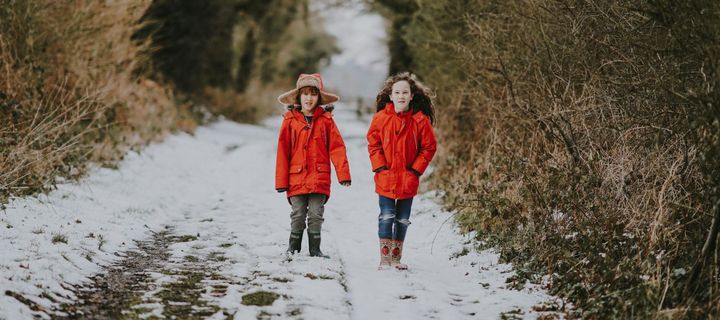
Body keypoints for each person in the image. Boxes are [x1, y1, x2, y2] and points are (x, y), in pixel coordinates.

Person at [275, 73, 351, 258]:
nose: (309, 98)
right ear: (299, 97)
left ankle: (315, 249)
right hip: (296, 177)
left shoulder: (326, 121)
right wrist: (281, 182)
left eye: (313, 94)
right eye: (305, 94)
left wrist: (343, 175)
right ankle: (293, 247)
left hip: (319, 177)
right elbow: (283, 152)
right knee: (298, 213)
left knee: (316, 213)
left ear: (319, 98)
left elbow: (337, 148)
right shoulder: (290, 121)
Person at [366, 72, 437, 270]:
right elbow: (373, 144)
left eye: (405, 92)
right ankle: (384, 259)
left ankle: (396, 259)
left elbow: (429, 147)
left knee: (403, 219)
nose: (401, 96)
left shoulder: (419, 120)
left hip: (408, 179)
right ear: (390, 96)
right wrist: (380, 167)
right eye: (397, 92)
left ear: (412, 96)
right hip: (386, 177)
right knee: (386, 216)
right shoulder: (380, 119)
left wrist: (415, 170)